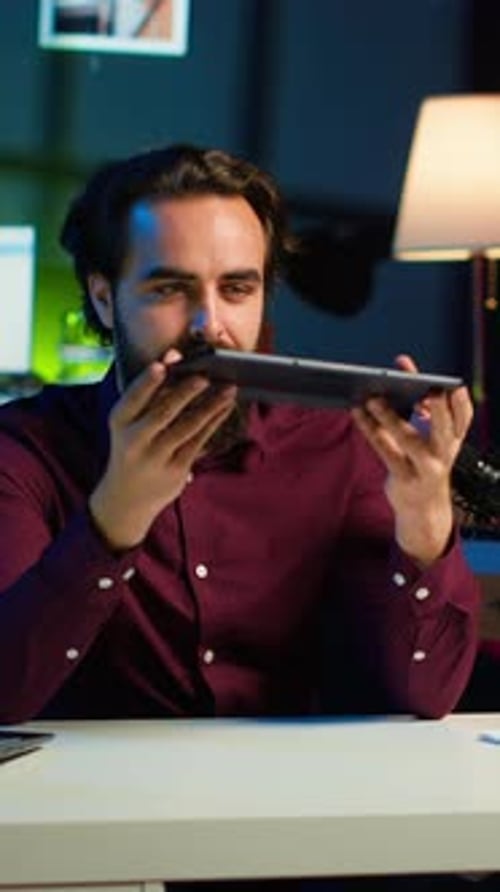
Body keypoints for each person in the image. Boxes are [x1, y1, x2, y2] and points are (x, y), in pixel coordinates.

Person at [0, 143, 480, 725]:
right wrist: (114, 519)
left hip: (290, 803)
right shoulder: (25, 449)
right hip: (85, 808)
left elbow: (425, 696)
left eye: (236, 289)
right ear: (104, 297)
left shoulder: (343, 447)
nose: (210, 324)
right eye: (170, 289)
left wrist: (426, 521)